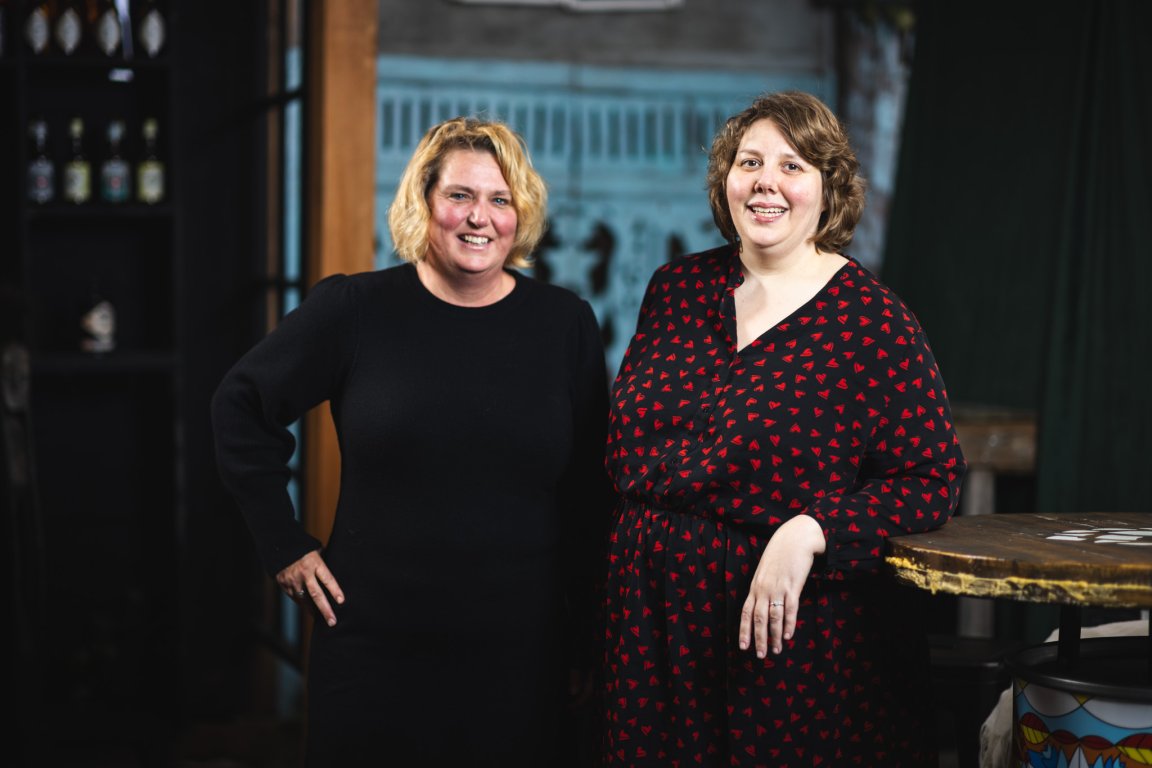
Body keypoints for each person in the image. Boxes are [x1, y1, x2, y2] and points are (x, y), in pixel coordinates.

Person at [211, 116, 612, 766]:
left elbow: (590, 497)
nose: (479, 217)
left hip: (522, 659)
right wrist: (282, 544)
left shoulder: (564, 324)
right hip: (375, 656)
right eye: (460, 195)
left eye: (500, 199)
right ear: (424, 202)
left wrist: (588, 640)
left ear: (520, 215)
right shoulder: (355, 309)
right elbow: (240, 404)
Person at [600, 91, 967, 767]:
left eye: (792, 166)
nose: (766, 181)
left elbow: (931, 480)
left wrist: (813, 530)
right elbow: (624, 449)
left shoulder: (872, 321)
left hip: (786, 643)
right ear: (727, 180)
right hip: (652, 630)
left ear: (829, 189)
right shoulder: (674, 289)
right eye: (750, 163)